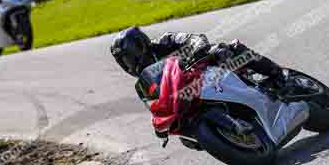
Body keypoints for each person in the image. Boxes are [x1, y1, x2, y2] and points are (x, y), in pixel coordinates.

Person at [110, 27, 308, 139]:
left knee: (231, 49)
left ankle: (277, 75)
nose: (127, 63)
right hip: (187, 98)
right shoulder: (144, 80)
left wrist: (197, 49)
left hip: (203, 68)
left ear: (139, 45)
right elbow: (155, 105)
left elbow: (195, 38)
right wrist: (159, 125)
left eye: (127, 57)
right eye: (122, 61)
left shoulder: (165, 41)